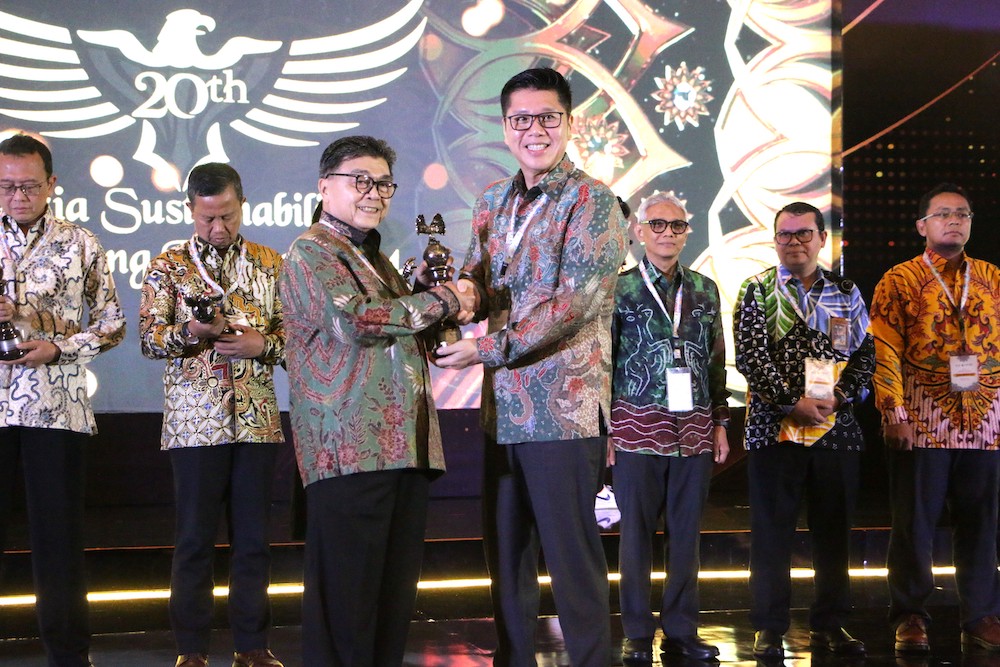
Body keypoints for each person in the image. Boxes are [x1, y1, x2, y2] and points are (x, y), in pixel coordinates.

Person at [434, 67, 629, 667]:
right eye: (521, 119)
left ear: (569, 124)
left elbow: (576, 305)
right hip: (503, 411)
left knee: (572, 558)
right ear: (505, 128)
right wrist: (445, 297)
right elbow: (476, 282)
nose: (534, 130)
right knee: (507, 556)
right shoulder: (493, 200)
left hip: (564, 410)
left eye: (547, 117)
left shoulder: (592, 201)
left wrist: (485, 349)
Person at [279, 135, 474, 666]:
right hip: (350, 449)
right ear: (325, 186)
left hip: (402, 448)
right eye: (360, 180)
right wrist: (444, 298)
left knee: (390, 604)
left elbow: (401, 329)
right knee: (348, 604)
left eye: (384, 184)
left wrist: (429, 301)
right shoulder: (312, 250)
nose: (374, 193)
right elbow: (356, 320)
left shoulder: (374, 257)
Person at [139, 163, 285, 667]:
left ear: (242, 205)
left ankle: (253, 646)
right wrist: (192, 333)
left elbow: (296, 338)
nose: (218, 228)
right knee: (194, 540)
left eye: (227, 216)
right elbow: (149, 341)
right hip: (193, 422)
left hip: (258, 420)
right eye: (207, 219)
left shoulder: (270, 263)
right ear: (190, 210)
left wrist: (262, 345)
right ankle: (192, 650)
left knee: (254, 541)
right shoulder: (167, 266)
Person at [0, 133, 126, 666]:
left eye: (29, 186)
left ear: (52, 184)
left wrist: (59, 347)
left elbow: (114, 323)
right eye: (6, 187)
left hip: (57, 407)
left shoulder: (81, 243)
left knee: (58, 540)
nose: (18, 196)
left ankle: (69, 655)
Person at [733, 201, 875, 660]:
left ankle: (830, 624)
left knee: (833, 532)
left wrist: (840, 397)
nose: (794, 242)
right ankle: (769, 627)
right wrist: (791, 402)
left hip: (836, 430)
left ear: (821, 239)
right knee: (771, 533)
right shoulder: (756, 290)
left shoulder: (845, 291)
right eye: (785, 234)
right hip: (774, 430)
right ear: (775, 240)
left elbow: (865, 354)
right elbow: (751, 357)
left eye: (803, 233)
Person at [870, 183, 1000, 654]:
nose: (955, 220)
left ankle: (981, 616)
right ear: (921, 226)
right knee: (914, 525)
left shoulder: (992, 277)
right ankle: (909, 615)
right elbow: (883, 349)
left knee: (981, 524)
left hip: (986, 421)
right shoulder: (899, 279)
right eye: (943, 213)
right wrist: (893, 412)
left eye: (962, 214)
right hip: (922, 419)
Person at [610, 192, 730, 662]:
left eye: (676, 225)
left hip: (694, 432)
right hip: (634, 431)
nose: (667, 233)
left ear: (686, 232)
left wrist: (720, 421)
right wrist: (606, 431)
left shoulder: (704, 289)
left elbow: (716, 362)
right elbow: (603, 364)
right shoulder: (619, 289)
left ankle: (681, 631)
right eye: (657, 225)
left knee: (686, 538)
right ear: (640, 232)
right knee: (635, 538)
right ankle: (637, 634)